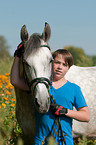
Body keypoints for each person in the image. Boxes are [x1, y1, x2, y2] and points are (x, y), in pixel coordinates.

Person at [11, 44, 90, 145]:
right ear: (50, 63)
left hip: (64, 142)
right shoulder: (40, 86)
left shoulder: (74, 89)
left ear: (68, 68)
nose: (60, 67)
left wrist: (65, 111)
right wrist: (17, 56)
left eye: (64, 64)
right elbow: (15, 81)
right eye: (57, 63)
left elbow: (86, 116)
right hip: (41, 142)